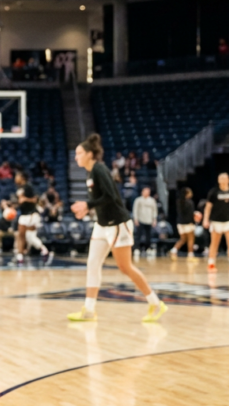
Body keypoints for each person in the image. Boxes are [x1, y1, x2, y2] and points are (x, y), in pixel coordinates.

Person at [68, 134, 166, 323]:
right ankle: (88, 310)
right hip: (102, 224)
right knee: (93, 264)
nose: (76, 157)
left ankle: (155, 302)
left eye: (79, 153)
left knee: (125, 267)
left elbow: (112, 196)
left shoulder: (99, 169)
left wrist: (88, 205)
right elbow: (101, 200)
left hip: (117, 224)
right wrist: (88, 208)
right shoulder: (90, 172)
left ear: (89, 154)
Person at [203, 172, 229, 281]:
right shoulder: (214, 192)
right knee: (214, 243)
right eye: (221, 178)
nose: (223, 180)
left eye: (225, 178)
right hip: (216, 222)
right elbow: (208, 207)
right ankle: (211, 264)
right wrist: (205, 219)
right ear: (218, 180)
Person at [15, 174, 50, 265]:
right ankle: (44, 251)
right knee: (29, 237)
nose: (15, 178)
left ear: (22, 177)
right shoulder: (20, 188)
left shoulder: (28, 186)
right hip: (25, 214)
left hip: (31, 214)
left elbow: (35, 199)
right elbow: (20, 202)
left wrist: (25, 199)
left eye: (17, 176)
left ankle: (20, 257)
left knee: (23, 236)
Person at [170, 187, 197, 262]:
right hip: (188, 223)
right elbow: (191, 214)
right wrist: (193, 222)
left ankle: (174, 250)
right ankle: (190, 254)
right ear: (187, 194)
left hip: (180, 223)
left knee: (183, 239)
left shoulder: (179, 201)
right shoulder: (190, 202)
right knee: (191, 239)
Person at [132, 187, 158, 258]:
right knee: (138, 235)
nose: (147, 193)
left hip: (149, 220)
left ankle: (148, 248)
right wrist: (136, 219)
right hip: (141, 219)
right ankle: (136, 248)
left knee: (148, 235)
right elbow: (135, 210)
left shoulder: (152, 200)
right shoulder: (138, 200)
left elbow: (154, 210)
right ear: (142, 192)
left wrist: (154, 219)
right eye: (145, 191)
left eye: (148, 191)